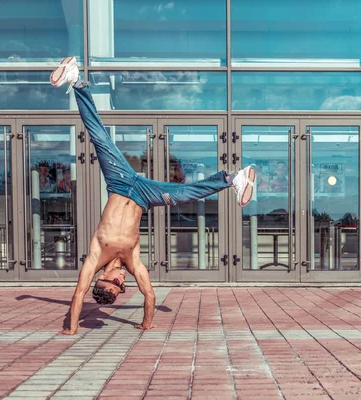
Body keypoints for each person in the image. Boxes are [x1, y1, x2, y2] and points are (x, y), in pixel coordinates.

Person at [51, 56, 256, 335]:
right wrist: (146, 323)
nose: (123, 279)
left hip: (120, 183)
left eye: (117, 281)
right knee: (185, 193)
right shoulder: (132, 260)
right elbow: (149, 295)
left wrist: (72, 327)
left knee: (99, 138)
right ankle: (234, 178)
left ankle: (76, 80)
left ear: (102, 277)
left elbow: (77, 295)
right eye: (123, 285)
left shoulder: (94, 257)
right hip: (145, 196)